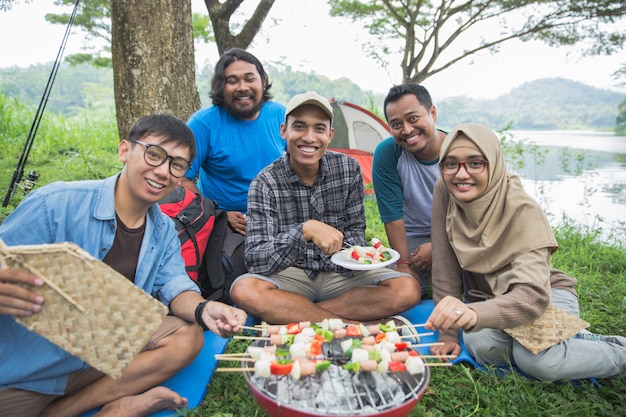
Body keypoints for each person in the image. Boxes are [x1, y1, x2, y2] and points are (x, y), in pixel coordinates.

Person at [0, 114, 247, 417]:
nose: (163, 171)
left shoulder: (162, 229)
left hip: (103, 353)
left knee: (188, 336)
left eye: (177, 165)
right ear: (124, 150)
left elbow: (175, 285)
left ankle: (84, 408)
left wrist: (204, 310)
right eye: (154, 154)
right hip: (29, 368)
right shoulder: (56, 204)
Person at [425, 122, 626, 381]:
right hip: (492, 298)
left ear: (494, 163)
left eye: (475, 163)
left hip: (544, 294)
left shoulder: (522, 211)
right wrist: (448, 334)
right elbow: (444, 263)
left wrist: (473, 313)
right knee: (482, 346)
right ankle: (568, 340)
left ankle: (615, 352)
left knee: (539, 362)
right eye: (451, 163)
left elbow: (532, 296)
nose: (461, 174)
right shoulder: (445, 189)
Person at [229, 91, 421, 324]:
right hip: (291, 275)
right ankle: (357, 325)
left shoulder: (348, 169)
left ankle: (298, 314)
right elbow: (256, 259)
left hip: (340, 275)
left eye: (319, 129)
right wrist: (303, 232)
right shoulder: (265, 182)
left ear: (330, 135)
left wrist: (355, 255)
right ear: (284, 131)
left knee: (407, 288)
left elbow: (355, 232)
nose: (309, 137)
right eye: (299, 127)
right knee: (244, 290)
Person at [181, 48, 286, 235]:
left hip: (278, 219)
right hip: (226, 225)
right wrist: (215, 213)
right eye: (232, 81)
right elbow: (180, 178)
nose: (242, 87)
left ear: (262, 82)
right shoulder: (203, 124)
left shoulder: (281, 115)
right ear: (221, 86)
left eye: (249, 79)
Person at [372, 84, 447, 297]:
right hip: (414, 237)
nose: (407, 130)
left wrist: (440, 246)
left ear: (432, 113)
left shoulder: (458, 149)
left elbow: (474, 215)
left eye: (413, 118)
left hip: (457, 235)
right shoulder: (388, 153)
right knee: (398, 289)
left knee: (482, 281)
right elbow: (392, 214)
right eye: (397, 124)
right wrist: (404, 263)